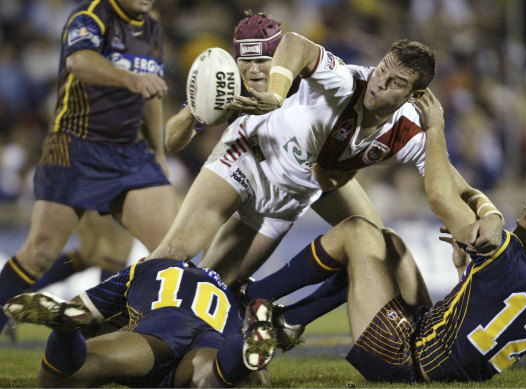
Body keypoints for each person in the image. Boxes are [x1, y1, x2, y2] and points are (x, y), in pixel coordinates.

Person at [247, 89, 526, 383]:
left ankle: (253, 298)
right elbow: (483, 327)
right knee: (389, 244)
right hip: (435, 357)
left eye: (520, 226)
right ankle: (291, 320)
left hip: (406, 360)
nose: (513, 230)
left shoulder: (506, 253)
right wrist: (464, 271)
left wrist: (434, 130)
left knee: (358, 232)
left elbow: (439, 196)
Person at [151, 30, 503, 294]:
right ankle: (102, 310)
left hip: (289, 196)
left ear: (414, 96)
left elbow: (456, 188)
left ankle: (417, 327)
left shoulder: (408, 132)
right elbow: (294, 44)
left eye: (396, 83)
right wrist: (275, 94)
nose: (380, 83)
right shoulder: (344, 80)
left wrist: (491, 215)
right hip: (251, 156)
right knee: (176, 250)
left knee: (214, 286)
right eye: (382, 70)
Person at [0, 0, 178, 333]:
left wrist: (159, 150)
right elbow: (79, 61)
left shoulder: (152, 28)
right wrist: (129, 78)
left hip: (130, 154)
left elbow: (152, 94)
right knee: (40, 253)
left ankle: (156, 337)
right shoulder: (91, 15)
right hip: (75, 149)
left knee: (173, 250)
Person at [3, 259, 276, 387]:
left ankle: (63, 332)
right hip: (215, 340)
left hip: (163, 325)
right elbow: (261, 380)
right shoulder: (228, 295)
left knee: (61, 379)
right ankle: (245, 340)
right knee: (210, 377)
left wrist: (86, 325)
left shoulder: (146, 268)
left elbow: (80, 309)